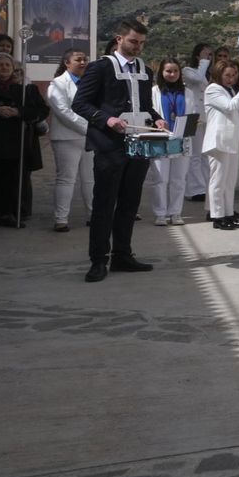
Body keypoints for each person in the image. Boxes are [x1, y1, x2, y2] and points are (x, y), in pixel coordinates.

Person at [72, 20, 166, 282]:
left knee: (129, 204)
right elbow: (80, 103)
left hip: (138, 145)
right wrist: (106, 120)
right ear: (119, 39)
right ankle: (98, 260)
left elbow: (145, 106)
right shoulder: (100, 67)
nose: (138, 47)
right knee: (104, 204)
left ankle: (122, 255)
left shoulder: (145, 70)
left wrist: (156, 119)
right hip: (110, 147)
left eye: (142, 43)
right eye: (134, 41)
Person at [0, 52, 46, 230]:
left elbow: (40, 110)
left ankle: (6, 213)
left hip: (15, 141)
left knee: (11, 179)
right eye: (0, 65)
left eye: (8, 65)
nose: (4, 68)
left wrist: (18, 112)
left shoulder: (22, 90)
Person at [202, 60, 239, 231]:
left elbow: (238, 118)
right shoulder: (213, 89)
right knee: (218, 180)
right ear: (219, 74)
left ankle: (228, 212)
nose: (231, 79)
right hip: (218, 141)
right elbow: (230, 108)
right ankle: (217, 215)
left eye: (234, 75)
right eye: (227, 75)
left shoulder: (231, 90)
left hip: (231, 141)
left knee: (229, 181)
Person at [47, 50, 94, 232]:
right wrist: (88, 127)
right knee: (66, 179)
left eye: (85, 60)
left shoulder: (89, 83)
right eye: (78, 60)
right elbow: (64, 112)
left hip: (89, 137)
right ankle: (61, 219)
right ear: (67, 63)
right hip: (67, 138)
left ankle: (93, 215)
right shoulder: (57, 84)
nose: (82, 62)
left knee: (90, 179)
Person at [149, 57, 198, 227]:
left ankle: (175, 212)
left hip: (182, 139)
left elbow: (192, 114)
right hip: (161, 140)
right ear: (161, 72)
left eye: (175, 71)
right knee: (160, 179)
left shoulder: (188, 92)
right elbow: (150, 115)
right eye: (168, 71)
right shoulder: (154, 91)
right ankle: (160, 213)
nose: (172, 74)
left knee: (179, 179)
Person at [181, 44, 215, 202]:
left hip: (208, 116)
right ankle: (195, 189)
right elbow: (197, 79)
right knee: (194, 154)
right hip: (194, 115)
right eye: (205, 53)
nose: (208, 56)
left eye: (210, 54)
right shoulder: (189, 70)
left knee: (205, 154)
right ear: (197, 56)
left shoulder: (210, 73)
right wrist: (204, 63)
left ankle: (206, 186)